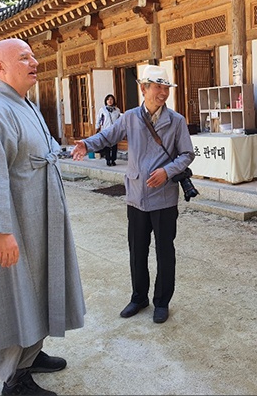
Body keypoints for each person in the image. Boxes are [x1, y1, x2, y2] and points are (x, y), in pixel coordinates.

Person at [0, 38, 86, 396]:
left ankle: (30, 354)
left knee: (39, 287)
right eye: (24, 57)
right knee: (12, 293)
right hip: (16, 224)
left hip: (41, 218)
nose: (34, 61)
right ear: (0, 68)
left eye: (33, 55)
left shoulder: (26, 105)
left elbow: (43, 149)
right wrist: (0, 232)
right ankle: (13, 378)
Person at [71, 64, 195, 324]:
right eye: (158, 86)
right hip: (136, 195)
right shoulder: (129, 117)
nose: (163, 92)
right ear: (144, 88)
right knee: (137, 250)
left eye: (166, 87)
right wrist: (86, 144)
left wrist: (167, 171)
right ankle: (139, 297)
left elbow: (187, 154)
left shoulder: (177, 121)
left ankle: (162, 301)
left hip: (164, 196)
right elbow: (107, 136)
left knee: (165, 251)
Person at [96, 94, 122, 166]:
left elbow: (119, 119)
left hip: (114, 130)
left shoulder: (117, 110)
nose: (110, 101)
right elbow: (99, 118)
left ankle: (113, 160)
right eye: (108, 99)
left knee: (114, 146)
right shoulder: (102, 110)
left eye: (111, 99)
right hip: (105, 130)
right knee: (106, 146)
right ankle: (108, 159)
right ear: (106, 101)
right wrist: (97, 126)